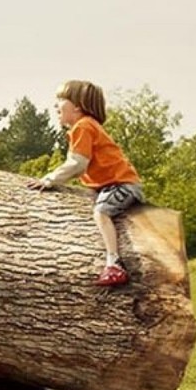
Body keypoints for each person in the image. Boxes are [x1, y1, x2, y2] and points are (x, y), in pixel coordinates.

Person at [26, 80, 143, 287]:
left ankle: (114, 264)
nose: (55, 106)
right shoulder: (84, 127)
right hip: (112, 185)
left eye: (61, 101)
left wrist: (50, 179)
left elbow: (78, 164)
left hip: (122, 185)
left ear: (77, 106)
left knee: (101, 212)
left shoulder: (84, 126)